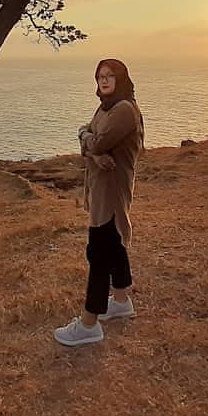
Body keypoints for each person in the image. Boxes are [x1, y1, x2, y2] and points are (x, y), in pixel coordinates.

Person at [54, 58, 144, 347]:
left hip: (112, 191)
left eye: (109, 76)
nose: (103, 81)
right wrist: (91, 146)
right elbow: (90, 137)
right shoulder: (105, 107)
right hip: (101, 187)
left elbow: (98, 141)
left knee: (99, 254)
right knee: (113, 245)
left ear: (121, 78)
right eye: (100, 76)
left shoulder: (124, 110)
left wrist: (88, 142)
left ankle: (89, 324)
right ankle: (121, 301)